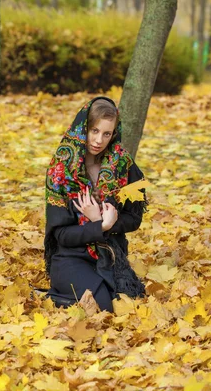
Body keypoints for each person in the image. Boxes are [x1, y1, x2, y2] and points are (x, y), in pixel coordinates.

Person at [43, 96, 146, 312]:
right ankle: (57, 295)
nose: (99, 140)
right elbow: (61, 235)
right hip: (71, 256)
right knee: (102, 306)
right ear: (83, 128)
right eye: (94, 131)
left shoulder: (124, 166)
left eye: (106, 133)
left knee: (128, 305)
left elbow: (134, 219)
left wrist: (106, 221)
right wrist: (100, 226)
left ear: (114, 134)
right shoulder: (61, 170)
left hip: (110, 253)